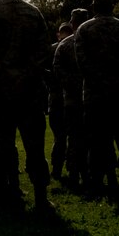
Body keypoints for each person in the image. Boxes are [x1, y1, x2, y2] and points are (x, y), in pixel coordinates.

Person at [0, 0, 53, 211]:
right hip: (30, 92)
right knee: (35, 147)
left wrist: (4, 81)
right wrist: (26, 77)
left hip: (0, 96)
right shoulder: (33, 13)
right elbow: (43, 52)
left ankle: (2, 197)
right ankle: (41, 197)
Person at [75, 0, 119, 196]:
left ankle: (99, 181)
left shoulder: (84, 29)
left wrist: (98, 81)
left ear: (93, 6)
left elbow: (82, 62)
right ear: (112, 5)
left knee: (98, 141)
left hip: (95, 94)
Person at [53, 8, 90, 189]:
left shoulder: (64, 45)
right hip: (99, 96)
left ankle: (75, 174)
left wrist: (74, 87)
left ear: (72, 23)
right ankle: (104, 175)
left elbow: (58, 72)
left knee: (74, 139)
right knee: (100, 138)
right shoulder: (98, 38)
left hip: (72, 99)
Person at [48, 22, 72, 182]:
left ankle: (56, 170)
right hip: (75, 96)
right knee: (77, 136)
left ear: (59, 34)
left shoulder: (51, 49)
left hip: (56, 96)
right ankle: (76, 170)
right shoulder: (78, 43)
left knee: (59, 137)